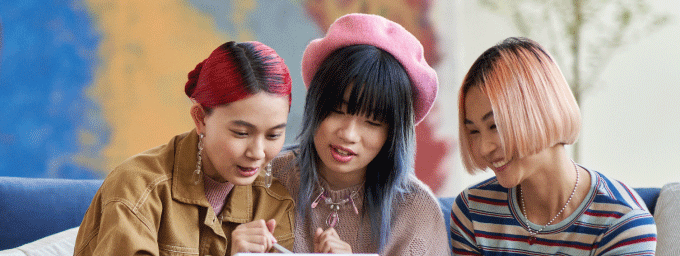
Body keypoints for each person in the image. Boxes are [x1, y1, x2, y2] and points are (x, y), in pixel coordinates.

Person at [74, 41, 296, 256]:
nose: (257, 153)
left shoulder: (275, 204)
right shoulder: (136, 189)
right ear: (200, 118)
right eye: (241, 133)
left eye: (273, 135)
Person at [450, 37, 657, 255]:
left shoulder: (622, 223)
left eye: (495, 126)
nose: (484, 148)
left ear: (541, 112)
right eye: (474, 131)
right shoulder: (473, 211)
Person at [271, 13, 450, 255]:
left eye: (372, 122)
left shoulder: (417, 212)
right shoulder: (267, 179)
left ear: (392, 133)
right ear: (316, 104)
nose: (348, 134)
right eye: (337, 110)